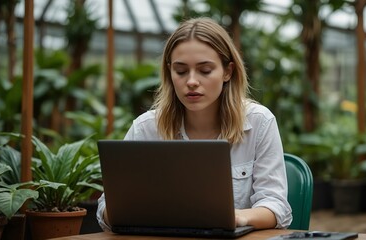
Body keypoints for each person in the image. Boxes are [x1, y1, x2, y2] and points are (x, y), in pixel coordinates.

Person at [97, 17, 292, 231]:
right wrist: (122, 209)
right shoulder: (146, 128)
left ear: (227, 71)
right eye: (180, 71)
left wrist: (236, 218)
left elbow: (276, 207)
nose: (191, 81)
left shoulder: (259, 123)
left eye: (205, 70)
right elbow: (107, 211)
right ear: (169, 72)